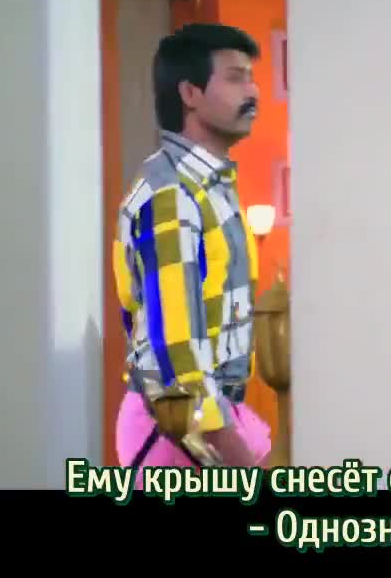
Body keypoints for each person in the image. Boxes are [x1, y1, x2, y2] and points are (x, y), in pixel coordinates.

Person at [113, 23, 270, 472]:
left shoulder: (211, 186)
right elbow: (175, 349)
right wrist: (235, 455)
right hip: (178, 427)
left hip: (215, 416)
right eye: (236, 78)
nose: (253, 92)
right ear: (190, 93)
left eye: (252, 78)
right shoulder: (171, 194)